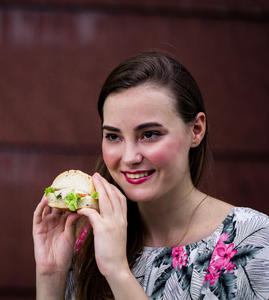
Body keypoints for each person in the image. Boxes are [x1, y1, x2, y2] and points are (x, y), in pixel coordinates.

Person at [32, 52, 269, 299]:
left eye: (150, 134)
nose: (129, 157)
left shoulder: (253, 241)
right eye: (113, 136)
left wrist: (117, 270)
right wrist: (50, 275)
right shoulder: (90, 243)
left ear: (196, 130)